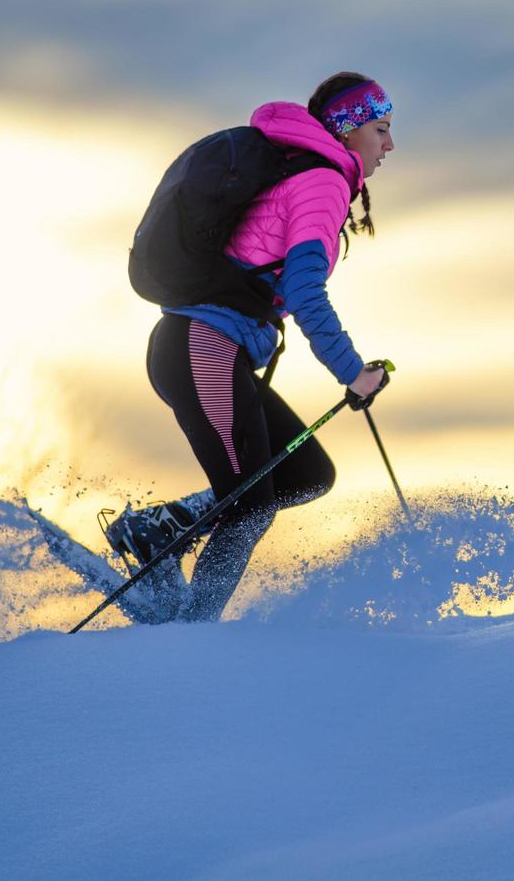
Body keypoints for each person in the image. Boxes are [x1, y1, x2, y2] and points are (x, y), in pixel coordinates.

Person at [108, 72, 395, 622]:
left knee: (306, 473)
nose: (389, 145)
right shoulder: (324, 182)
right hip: (203, 348)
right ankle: (193, 634)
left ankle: (156, 529)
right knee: (249, 506)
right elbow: (306, 292)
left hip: (209, 349)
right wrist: (353, 372)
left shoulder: (311, 176)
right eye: (380, 129)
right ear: (349, 129)